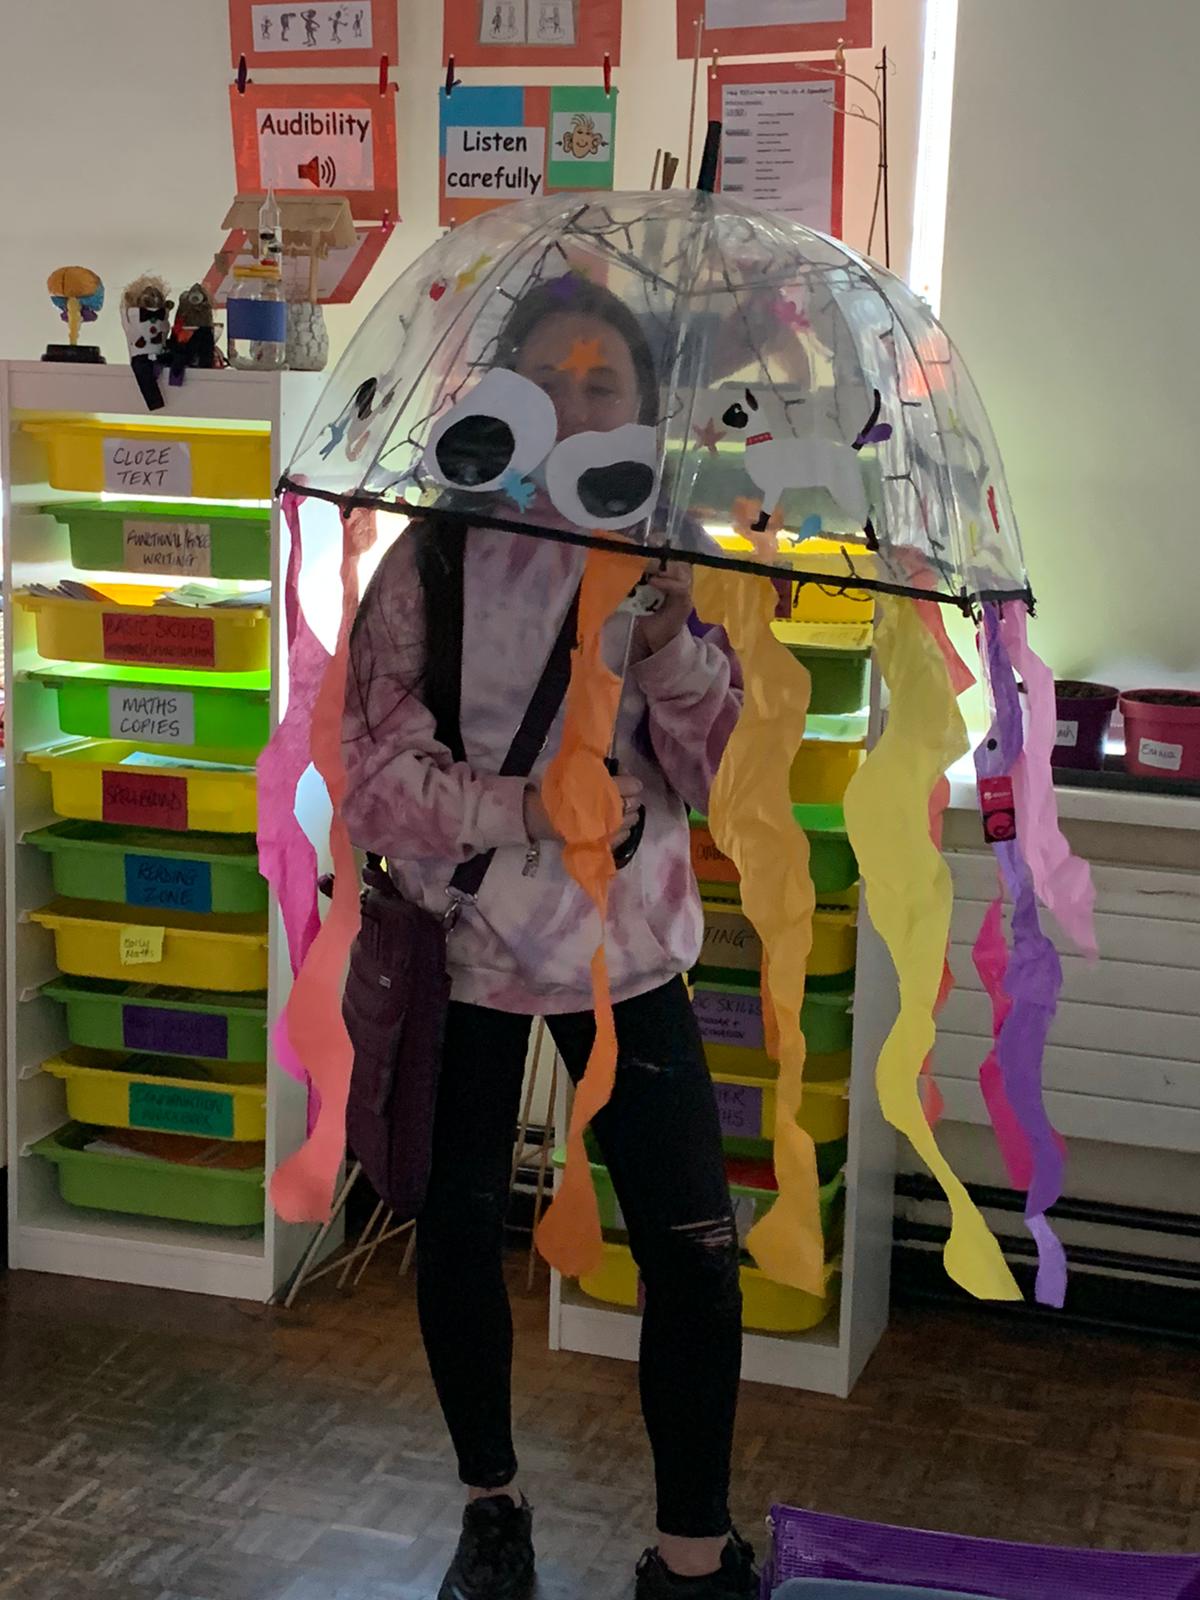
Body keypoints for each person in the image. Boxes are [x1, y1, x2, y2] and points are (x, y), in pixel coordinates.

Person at [343, 275, 756, 1600]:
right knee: (462, 1229)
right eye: (548, 381)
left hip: (626, 956)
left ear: (643, 408)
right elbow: (373, 776)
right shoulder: (435, 557)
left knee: (693, 1247)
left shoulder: (679, 557)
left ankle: (692, 1549)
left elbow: (728, 778)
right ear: (501, 396)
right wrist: (525, 806)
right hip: (465, 945)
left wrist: (672, 645)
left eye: (603, 385)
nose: (576, 408)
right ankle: (493, 1508)